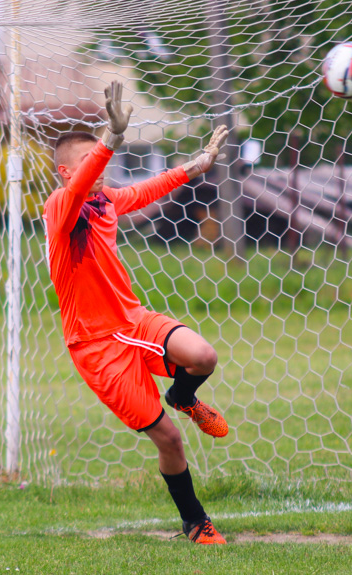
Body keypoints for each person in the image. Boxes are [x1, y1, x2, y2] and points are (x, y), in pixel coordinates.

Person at [42, 80, 230, 545]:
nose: (98, 171)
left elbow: (146, 190)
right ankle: (194, 521)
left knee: (203, 356)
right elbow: (88, 178)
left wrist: (195, 165)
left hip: (133, 320)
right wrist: (111, 138)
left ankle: (184, 397)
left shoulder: (104, 202)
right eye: (87, 163)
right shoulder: (60, 211)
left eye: (100, 159)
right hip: (98, 347)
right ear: (66, 173)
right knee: (169, 440)